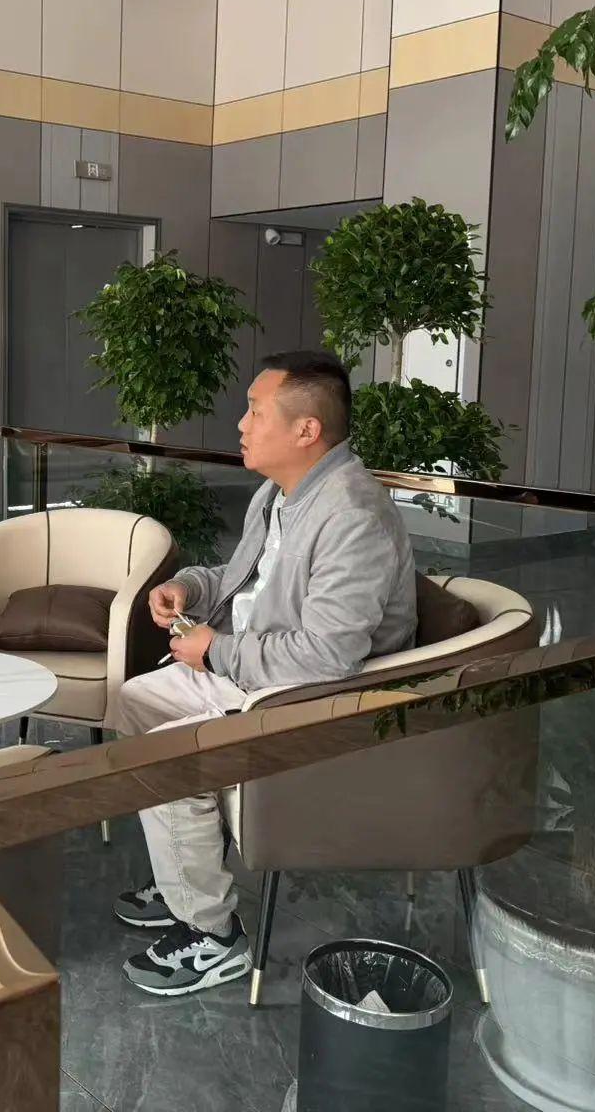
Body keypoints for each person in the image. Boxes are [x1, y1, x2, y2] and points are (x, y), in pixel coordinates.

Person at [106, 349, 416, 996]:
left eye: (254, 411)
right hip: (255, 668)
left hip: (310, 701)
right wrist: (191, 588)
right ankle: (186, 876)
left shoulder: (352, 516)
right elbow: (246, 578)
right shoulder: (278, 494)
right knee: (132, 701)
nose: (241, 425)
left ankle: (212, 935)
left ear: (306, 430)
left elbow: (328, 656)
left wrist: (215, 651)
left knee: (170, 752)